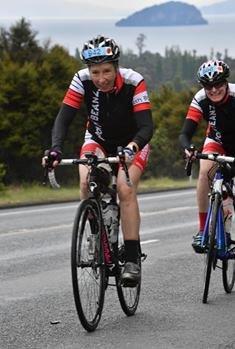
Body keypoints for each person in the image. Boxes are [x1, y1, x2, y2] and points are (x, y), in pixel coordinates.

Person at [44, 35, 153, 285]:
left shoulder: (133, 81)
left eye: (106, 71)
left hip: (133, 142)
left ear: (116, 66)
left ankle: (132, 258)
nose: (101, 78)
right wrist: (55, 150)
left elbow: (147, 126)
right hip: (98, 139)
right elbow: (63, 118)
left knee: (125, 189)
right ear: (88, 70)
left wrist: (133, 146)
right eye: (95, 72)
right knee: (86, 183)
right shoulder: (81, 80)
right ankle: (97, 237)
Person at [179, 59, 235, 253]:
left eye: (218, 84)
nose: (213, 90)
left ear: (226, 82)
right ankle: (203, 230)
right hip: (216, 140)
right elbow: (185, 133)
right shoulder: (201, 98)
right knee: (204, 172)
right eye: (208, 86)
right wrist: (189, 148)